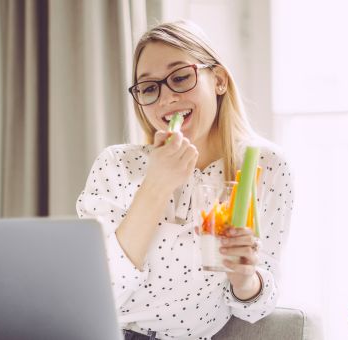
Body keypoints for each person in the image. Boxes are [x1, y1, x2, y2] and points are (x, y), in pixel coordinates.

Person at [76, 20, 293, 340]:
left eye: (180, 77)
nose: (166, 98)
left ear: (218, 80)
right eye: (149, 88)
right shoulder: (117, 165)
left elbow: (256, 308)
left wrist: (244, 278)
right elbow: (98, 294)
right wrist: (157, 185)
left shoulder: (264, 167)